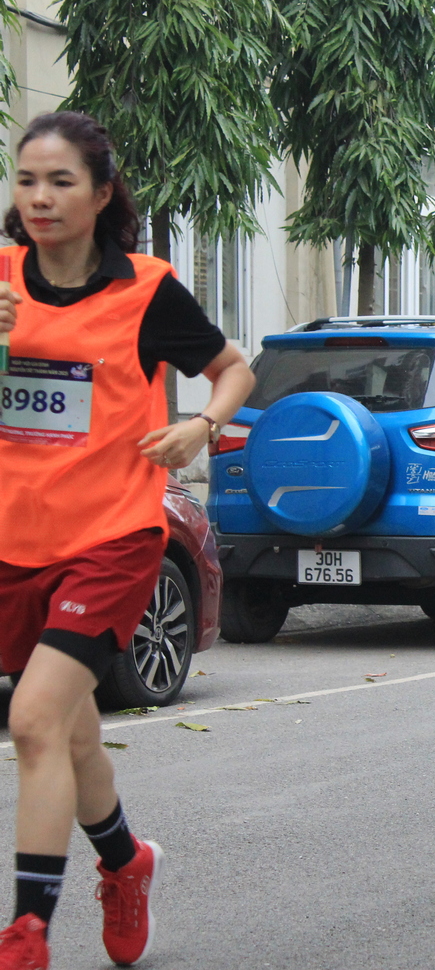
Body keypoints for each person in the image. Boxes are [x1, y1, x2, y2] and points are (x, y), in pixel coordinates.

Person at [0, 112, 255, 967]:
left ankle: (26, 934)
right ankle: (124, 860)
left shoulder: (146, 292)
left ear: (102, 193)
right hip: (15, 539)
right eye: (26, 180)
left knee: (33, 718)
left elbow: (234, 367)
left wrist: (202, 427)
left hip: (113, 536)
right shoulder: (1, 281)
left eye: (61, 181)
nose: (40, 198)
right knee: (68, 732)